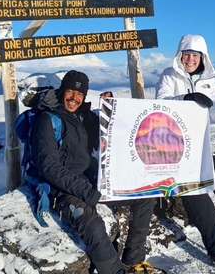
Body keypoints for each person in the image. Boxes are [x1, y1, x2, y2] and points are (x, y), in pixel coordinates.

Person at [30, 70, 158, 274]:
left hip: (92, 180)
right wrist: (86, 191)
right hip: (62, 188)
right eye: (70, 91)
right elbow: (49, 167)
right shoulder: (47, 120)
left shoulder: (85, 117)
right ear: (63, 90)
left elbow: (115, 129)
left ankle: (133, 259)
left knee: (144, 196)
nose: (74, 98)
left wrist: (111, 106)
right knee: (93, 225)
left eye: (80, 94)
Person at [155, 34, 215, 272]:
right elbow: (160, 105)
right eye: (186, 54)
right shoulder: (169, 76)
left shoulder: (208, 81)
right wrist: (185, 98)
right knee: (198, 195)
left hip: (198, 147)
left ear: (203, 58)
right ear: (180, 55)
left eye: (195, 55)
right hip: (173, 150)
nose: (190, 59)